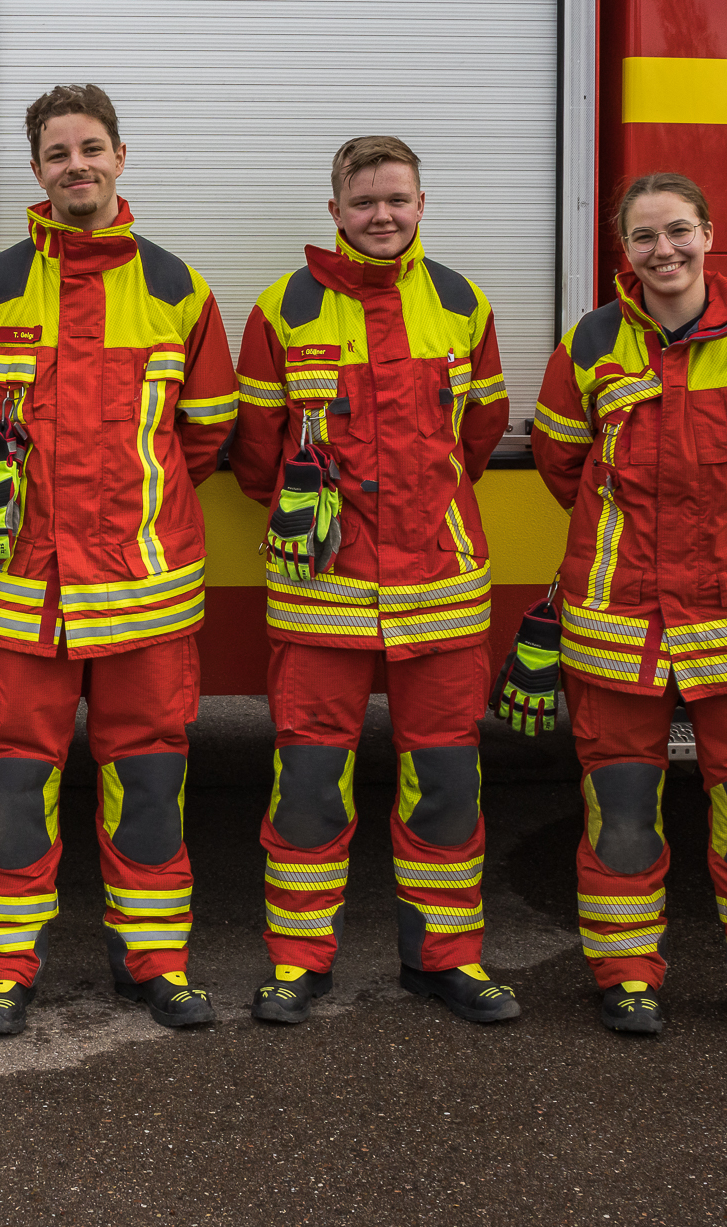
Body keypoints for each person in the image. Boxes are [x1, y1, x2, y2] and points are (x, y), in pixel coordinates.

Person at [0, 84, 238, 1035]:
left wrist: (126, 517)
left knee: (147, 772)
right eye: (58, 153)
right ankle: (5, 969)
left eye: (91, 147)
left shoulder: (179, 287)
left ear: (119, 156)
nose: (77, 166)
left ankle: (154, 963)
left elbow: (206, 431)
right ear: (36, 171)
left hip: (144, 586)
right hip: (29, 588)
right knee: (16, 774)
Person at [531, 172, 727, 1044]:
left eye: (678, 232)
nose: (663, 250)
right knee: (621, 808)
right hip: (619, 622)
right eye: (643, 238)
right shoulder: (591, 343)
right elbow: (563, 464)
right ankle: (626, 975)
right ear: (622, 251)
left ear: (708, 233)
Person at [230, 135, 517, 1026]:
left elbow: (480, 433)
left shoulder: (463, 303)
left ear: (422, 205)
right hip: (324, 595)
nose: (382, 215)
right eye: (364, 203)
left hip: (440, 590)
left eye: (397, 199)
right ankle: (297, 961)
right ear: (335, 212)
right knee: (310, 786)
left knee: (446, 785)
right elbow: (254, 454)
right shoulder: (283, 309)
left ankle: (446, 957)